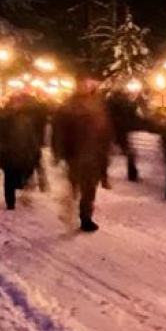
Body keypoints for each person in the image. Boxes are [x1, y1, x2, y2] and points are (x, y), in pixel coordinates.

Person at [53, 74, 115, 232]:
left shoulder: (98, 104)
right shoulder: (69, 105)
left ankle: (85, 217)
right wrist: (59, 151)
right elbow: (59, 130)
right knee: (75, 184)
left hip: (94, 153)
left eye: (90, 84)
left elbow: (105, 128)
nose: (88, 87)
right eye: (84, 84)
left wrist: (106, 147)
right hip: (75, 153)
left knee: (89, 188)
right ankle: (69, 205)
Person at [0, 92, 44, 210]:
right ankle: (10, 202)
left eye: (19, 102)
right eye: (15, 102)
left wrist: (35, 150)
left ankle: (20, 193)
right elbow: (1, 135)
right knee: (9, 178)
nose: (17, 104)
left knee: (23, 174)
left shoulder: (27, 118)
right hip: (10, 152)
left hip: (23, 151)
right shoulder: (5, 117)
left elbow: (32, 135)